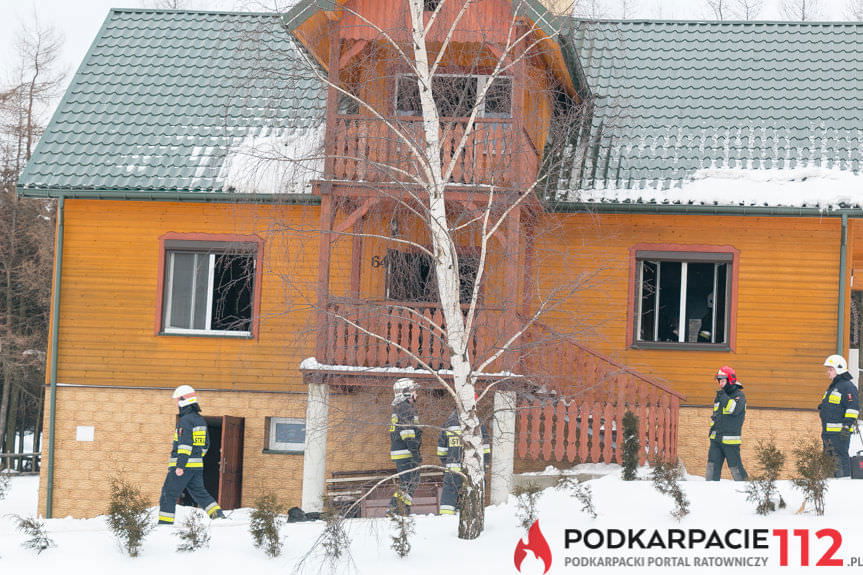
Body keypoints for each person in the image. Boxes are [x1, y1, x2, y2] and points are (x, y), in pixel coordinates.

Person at [158, 385, 224, 524]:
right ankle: (219, 517)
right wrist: (197, 458)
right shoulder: (200, 420)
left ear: (183, 400)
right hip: (196, 466)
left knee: (168, 494)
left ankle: (164, 525)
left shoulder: (185, 421)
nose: (176, 403)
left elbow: (185, 445)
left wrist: (180, 465)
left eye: (177, 400)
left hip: (183, 466)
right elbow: (205, 445)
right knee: (200, 493)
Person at [437, 402, 491, 516]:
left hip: (452, 468)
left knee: (449, 493)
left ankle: (445, 519)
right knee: (471, 493)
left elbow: (441, 451)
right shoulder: (478, 423)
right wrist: (485, 464)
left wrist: (448, 463)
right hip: (473, 468)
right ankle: (469, 517)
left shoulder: (448, 423)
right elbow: (485, 448)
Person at [819, 354, 859, 478]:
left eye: (831, 369)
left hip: (840, 433)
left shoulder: (847, 386)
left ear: (839, 369)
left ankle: (844, 482)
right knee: (829, 461)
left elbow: (853, 408)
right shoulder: (833, 387)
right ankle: (829, 483)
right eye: (828, 369)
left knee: (840, 460)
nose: (828, 372)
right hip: (828, 433)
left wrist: (846, 427)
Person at [706, 366, 748, 481]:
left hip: (730, 441)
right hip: (716, 440)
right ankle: (709, 489)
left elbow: (734, 410)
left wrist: (724, 397)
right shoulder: (720, 396)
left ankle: (747, 489)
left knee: (736, 469)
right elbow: (716, 416)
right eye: (719, 381)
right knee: (711, 468)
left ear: (731, 380)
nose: (720, 384)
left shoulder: (739, 396)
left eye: (723, 380)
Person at [389, 378, 422, 515]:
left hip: (402, 451)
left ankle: (402, 509)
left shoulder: (400, 407)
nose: (416, 394)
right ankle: (395, 508)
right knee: (409, 482)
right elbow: (407, 432)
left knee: (409, 482)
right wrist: (414, 452)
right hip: (406, 451)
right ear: (406, 392)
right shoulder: (405, 408)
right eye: (414, 391)